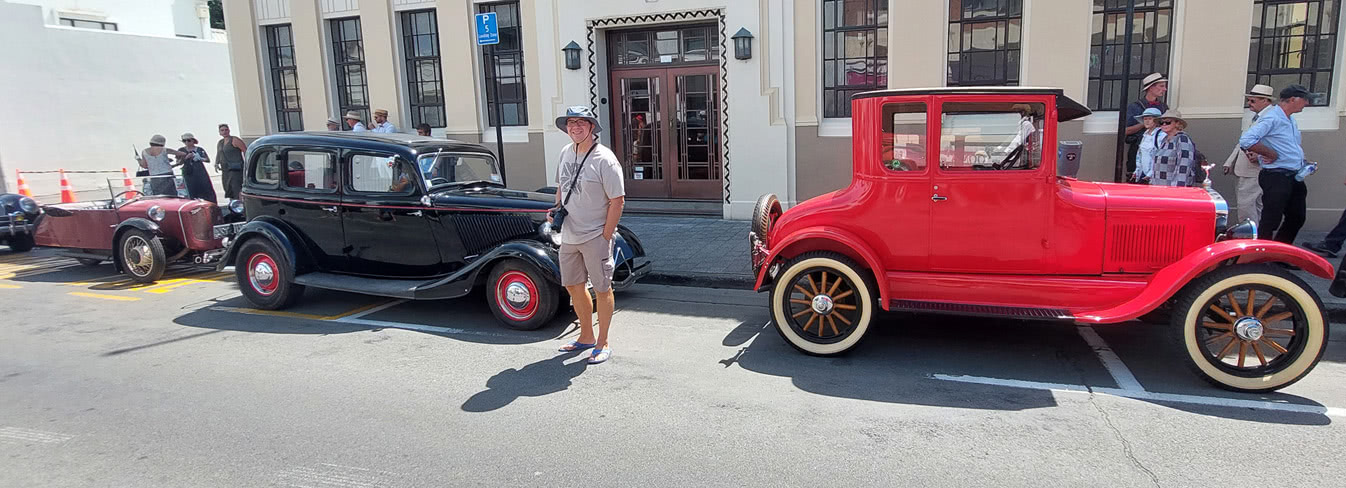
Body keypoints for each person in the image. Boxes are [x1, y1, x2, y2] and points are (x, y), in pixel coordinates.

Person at [551, 106, 625, 365]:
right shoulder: (564, 153)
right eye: (571, 122)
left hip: (595, 236)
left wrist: (605, 235)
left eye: (581, 122)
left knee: (603, 288)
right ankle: (585, 335)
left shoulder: (605, 159)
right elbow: (561, 186)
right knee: (573, 285)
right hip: (569, 236)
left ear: (592, 127)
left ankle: (603, 341)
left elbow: (618, 200)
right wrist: (557, 210)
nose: (575, 127)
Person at [1241, 84, 1313, 244]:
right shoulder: (1272, 117)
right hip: (1276, 176)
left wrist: (1302, 161)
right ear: (1293, 99)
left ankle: (1279, 254)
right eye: (1305, 100)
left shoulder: (1290, 119)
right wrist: (1269, 153)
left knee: (1297, 217)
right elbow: (1246, 140)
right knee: (1271, 218)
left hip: (1294, 175)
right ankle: (1261, 255)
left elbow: (1288, 145)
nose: (1307, 103)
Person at [1222, 84, 1277, 224]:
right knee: (1254, 205)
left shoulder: (1270, 118)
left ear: (1265, 101)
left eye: (1252, 101)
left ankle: (1247, 233)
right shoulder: (1256, 117)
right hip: (1245, 168)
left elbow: (1275, 144)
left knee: (1246, 205)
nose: (1249, 104)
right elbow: (1242, 141)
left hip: (1254, 170)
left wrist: (1259, 157)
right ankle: (1255, 232)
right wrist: (1230, 161)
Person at [1124, 73, 1170, 178]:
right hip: (1138, 148)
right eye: (1161, 86)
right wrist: (1145, 123)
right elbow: (1125, 131)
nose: (1164, 89)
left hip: (1159, 148)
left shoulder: (1164, 107)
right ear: (1151, 88)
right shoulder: (1134, 107)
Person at [1150, 110, 1200, 187]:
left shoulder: (1182, 139)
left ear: (1177, 123)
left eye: (1168, 122)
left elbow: (1184, 164)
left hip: (1172, 188)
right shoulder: (1164, 140)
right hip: (1159, 186)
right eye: (1161, 123)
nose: (1164, 124)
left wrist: (1177, 187)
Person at [177, 133, 216, 203]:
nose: (186, 142)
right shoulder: (181, 150)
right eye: (184, 141)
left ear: (193, 141)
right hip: (188, 173)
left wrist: (200, 158)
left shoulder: (200, 149)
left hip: (200, 172)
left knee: (206, 188)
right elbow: (178, 162)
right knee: (190, 190)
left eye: (188, 140)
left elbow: (207, 160)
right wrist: (186, 158)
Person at [215, 124, 247, 199]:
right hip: (225, 170)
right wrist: (216, 163)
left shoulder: (234, 140)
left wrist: (247, 164)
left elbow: (245, 150)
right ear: (219, 132)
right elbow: (219, 153)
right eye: (222, 130)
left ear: (229, 130)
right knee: (228, 188)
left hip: (235, 169)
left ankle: (240, 206)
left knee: (236, 188)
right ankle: (233, 205)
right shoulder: (220, 142)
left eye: (226, 130)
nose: (224, 132)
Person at [1132, 107, 1165, 183]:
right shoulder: (1145, 135)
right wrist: (1137, 171)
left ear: (1156, 121)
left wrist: (1150, 174)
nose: (1147, 121)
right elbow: (1140, 155)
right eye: (1145, 119)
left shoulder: (1161, 135)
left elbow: (1159, 157)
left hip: (1154, 175)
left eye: (1150, 119)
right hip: (1142, 173)